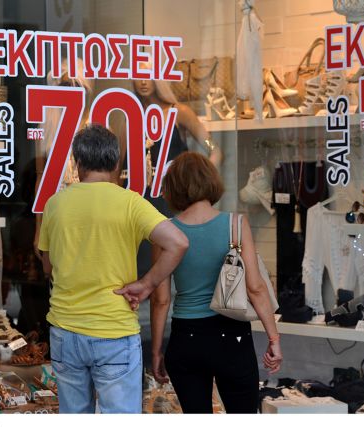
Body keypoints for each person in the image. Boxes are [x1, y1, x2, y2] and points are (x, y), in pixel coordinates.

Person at [117, 152, 283, 414]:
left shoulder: (166, 231)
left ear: (174, 187)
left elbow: (161, 300)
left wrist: (157, 351)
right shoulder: (236, 224)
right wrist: (273, 338)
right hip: (232, 337)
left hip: (186, 338)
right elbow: (256, 287)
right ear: (210, 180)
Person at [38, 124, 188, 414]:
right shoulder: (130, 202)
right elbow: (178, 243)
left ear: (78, 163)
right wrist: (147, 284)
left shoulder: (55, 205)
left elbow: (47, 266)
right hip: (114, 329)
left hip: (66, 330)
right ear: (116, 163)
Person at [127, 70, 222, 277]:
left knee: (174, 258)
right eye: (138, 75)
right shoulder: (131, 115)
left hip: (172, 199)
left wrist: (199, 182)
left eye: (148, 75)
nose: (143, 81)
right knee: (143, 264)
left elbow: (214, 150)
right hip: (140, 199)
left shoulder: (178, 112)